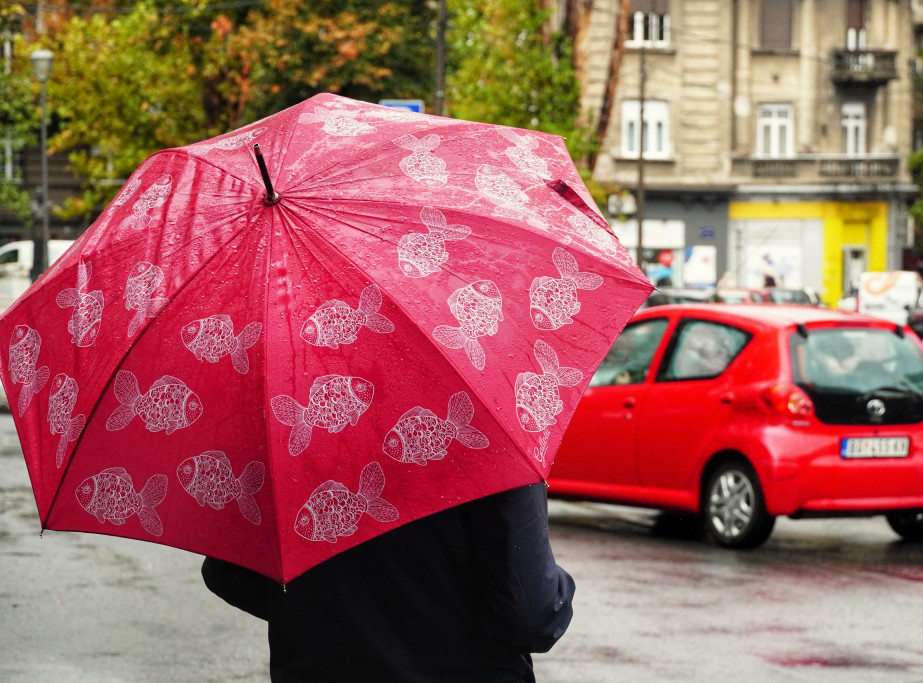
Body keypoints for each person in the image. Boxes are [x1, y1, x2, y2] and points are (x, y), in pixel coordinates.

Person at [201, 482, 575, 682]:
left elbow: (229, 574)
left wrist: (320, 612)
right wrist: (561, 585)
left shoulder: (280, 432)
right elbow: (531, 614)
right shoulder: (492, 437)